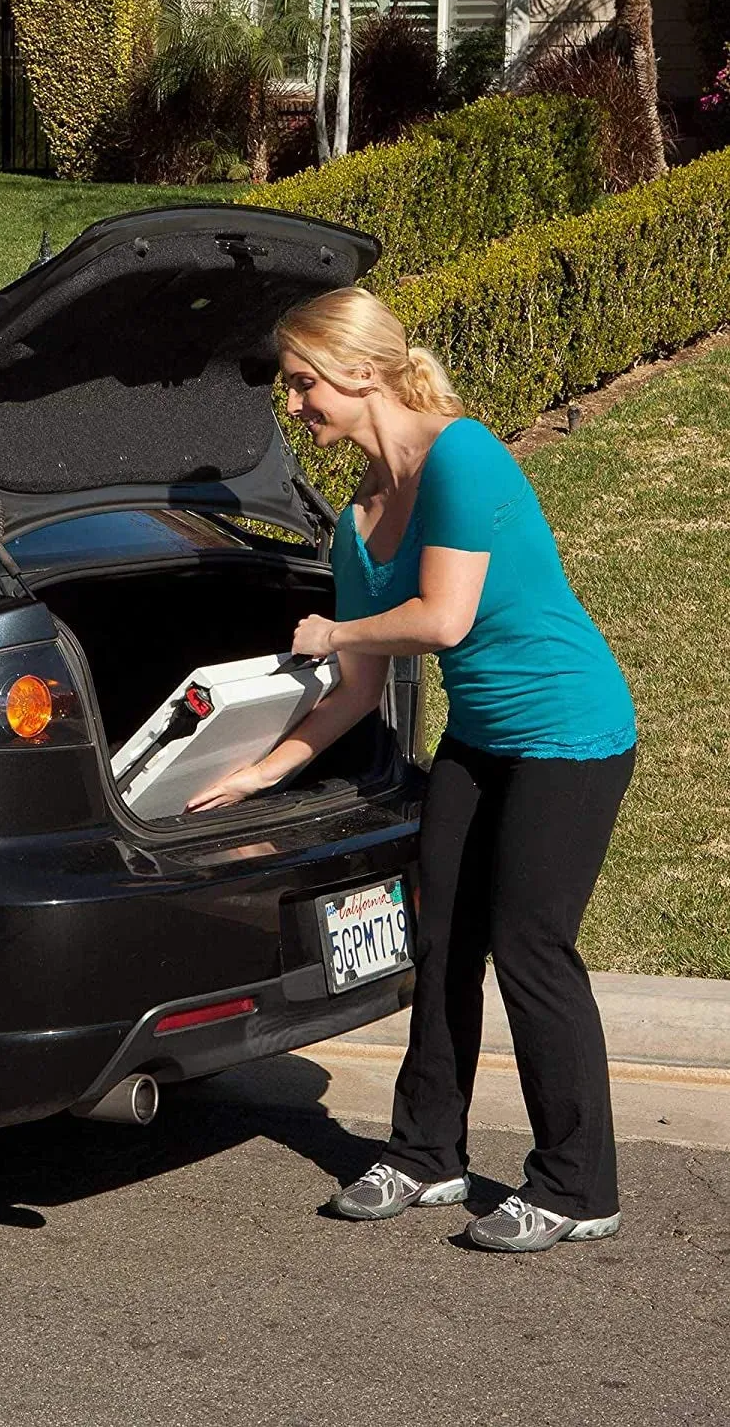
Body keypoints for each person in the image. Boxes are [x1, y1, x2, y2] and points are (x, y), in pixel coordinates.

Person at [185, 286, 637, 1254]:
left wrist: (336, 625)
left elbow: (443, 619)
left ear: (360, 371)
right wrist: (259, 774)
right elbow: (352, 691)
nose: (295, 406)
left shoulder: (461, 454)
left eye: (304, 384)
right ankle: (427, 1153)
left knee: (530, 947)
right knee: (437, 940)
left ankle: (577, 1183)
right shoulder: (356, 519)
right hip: (479, 738)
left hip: (569, 728)